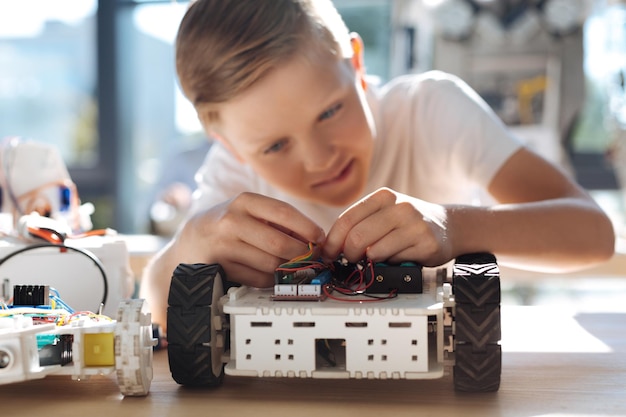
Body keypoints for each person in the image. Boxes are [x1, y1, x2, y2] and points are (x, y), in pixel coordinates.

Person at [140, 0, 615, 329]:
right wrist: (192, 241)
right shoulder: (233, 174)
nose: (321, 158)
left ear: (357, 65)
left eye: (330, 111)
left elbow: (593, 234)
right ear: (231, 145)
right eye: (275, 147)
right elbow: (155, 314)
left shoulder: (430, 110)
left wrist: (454, 226)